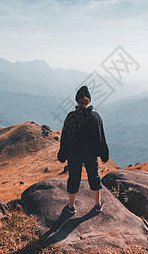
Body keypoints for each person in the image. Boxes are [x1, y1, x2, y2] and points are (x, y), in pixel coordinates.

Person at [57, 85, 109, 214]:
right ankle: (97, 204)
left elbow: (65, 138)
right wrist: (104, 154)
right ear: (89, 102)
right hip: (91, 154)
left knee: (74, 178)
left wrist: (62, 155)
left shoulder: (71, 117)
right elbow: (101, 136)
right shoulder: (95, 117)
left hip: (74, 155)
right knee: (94, 177)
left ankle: (71, 206)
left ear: (76, 101)